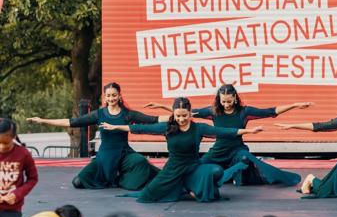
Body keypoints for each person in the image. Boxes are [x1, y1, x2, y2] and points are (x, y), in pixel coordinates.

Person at [102, 97, 263, 203]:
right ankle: (184, 188)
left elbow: (223, 131)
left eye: (184, 115)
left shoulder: (199, 128)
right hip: (173, 169)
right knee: (146, 197)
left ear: (190, 113)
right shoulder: (167, 127)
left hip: (193, 167)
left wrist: (248, 131)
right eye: (178, 116)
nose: (181, 119)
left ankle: (191, 187)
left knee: (216, 170)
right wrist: (116, 126)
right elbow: (140, 129)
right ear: (173, 114)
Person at [144, 84, 309, 186]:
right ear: (219, 99)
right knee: (197, 166)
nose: (226, 104)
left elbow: (270, 111)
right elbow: (186, 113)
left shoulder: (245, 112)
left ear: (235, 98)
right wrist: (162, 106)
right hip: (218, 151)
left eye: (229, 101)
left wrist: (294, 105)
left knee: (245, 158)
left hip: (237, 150)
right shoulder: (213, 111)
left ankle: (239, 177)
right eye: (223, 101)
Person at [27, 82, 166, 190]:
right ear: (105, 97)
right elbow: (72, 122)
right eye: (108, 95)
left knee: (140, 162)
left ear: (119, 96)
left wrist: (179, 115)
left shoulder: (128, 114)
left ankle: (125, 179)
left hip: (124, 154)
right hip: (105, 156)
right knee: (78, 182)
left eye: (114, 95)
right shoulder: (99, 114)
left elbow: (155, 120)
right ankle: (113, 177)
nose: (111, 98)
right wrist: (43, 120)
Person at [0, 118, 38, 217]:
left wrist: (17, 194)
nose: (2, 147)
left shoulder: (23, 154)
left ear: (13, 137)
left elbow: (33, 178)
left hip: (12, 208)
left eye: (6, 143)